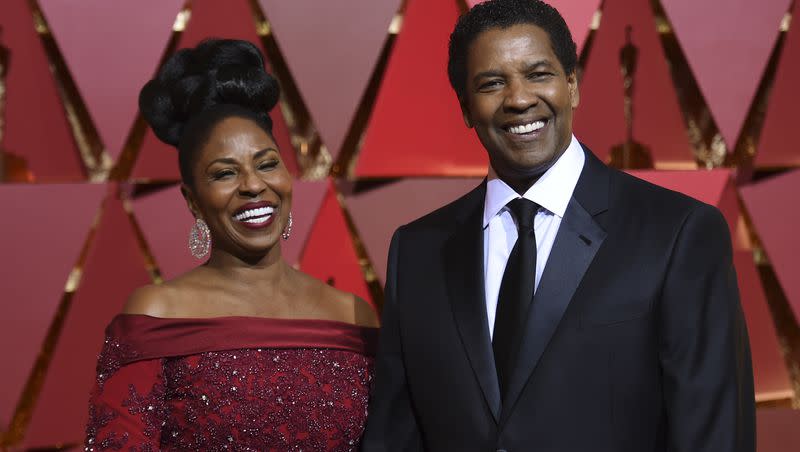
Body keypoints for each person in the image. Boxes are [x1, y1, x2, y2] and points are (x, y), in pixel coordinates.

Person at [362, 0, 755, 451]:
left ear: (572, 85)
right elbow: (395, 436)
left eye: (538, 74)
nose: (519, 99)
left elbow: (714, 435)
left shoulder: (678, 234)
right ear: (466, 108)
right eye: (492, 83)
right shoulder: (417, 252)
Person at [84, 39, 379, 451]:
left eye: (267, 163)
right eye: (225, 174)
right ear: (193, 201)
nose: (254, 185)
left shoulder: (353, 315)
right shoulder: (156, 314)